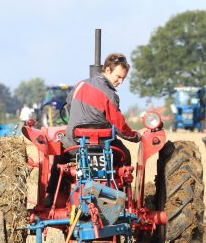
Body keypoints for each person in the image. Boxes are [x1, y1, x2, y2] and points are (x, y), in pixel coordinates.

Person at [45, 53, 141, 206]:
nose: (120, 81)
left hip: (75, 147)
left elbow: (69, 106)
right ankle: (121, 199)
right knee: (125, 155)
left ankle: (51, 195)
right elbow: (119, 125)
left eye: (123, 78)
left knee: (59, 157)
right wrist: (135, 136)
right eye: (118, 77)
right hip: (104, 149)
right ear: (107, 70)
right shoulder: (110, 95)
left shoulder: (80, 86)